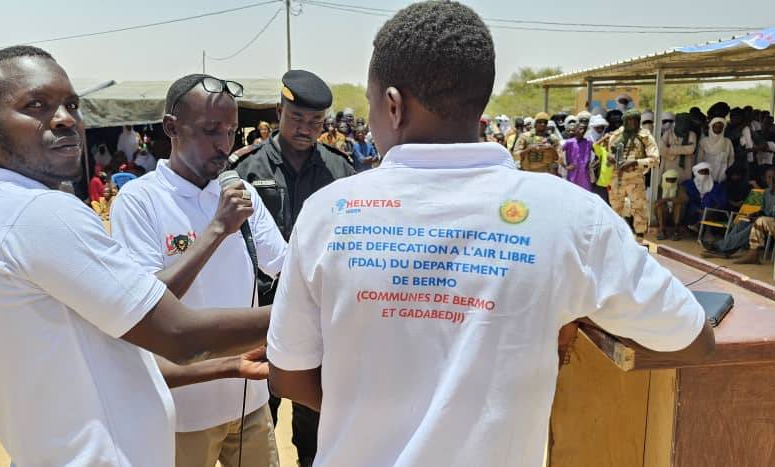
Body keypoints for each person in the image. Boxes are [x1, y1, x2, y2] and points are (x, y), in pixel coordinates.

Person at [266, 4, 714, 467]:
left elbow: (288, 374)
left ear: (394, 106)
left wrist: (371, 416)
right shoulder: (572, 217)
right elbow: (692, 339)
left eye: (371, 102)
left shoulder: (327, 212)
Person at [0, 45, 272, 467]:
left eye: (71, 105)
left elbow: (118, 351)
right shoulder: (41, 213)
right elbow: (178, 335)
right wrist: (308, 310)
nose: (65, 119)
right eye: (36, 105)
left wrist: (230, 366)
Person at [112, 74, 287, 467]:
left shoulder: (241, 194)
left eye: (231, 131)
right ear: (171, 127)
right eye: (210, 130)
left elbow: (284, 266)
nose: (225, 144)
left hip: (249, 400)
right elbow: (146, 304)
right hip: (184, 412)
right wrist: (217, 229)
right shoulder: (140, 201)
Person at [230, 69, 356, 467]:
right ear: (279, 112)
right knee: (256, 415)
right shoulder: (247, 169)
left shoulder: (339, 170)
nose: (306, 128)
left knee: (314, 419)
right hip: (261, 312)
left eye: (315, 121)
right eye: (297, 118)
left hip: (319, 316)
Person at [597, 109, 659, 240]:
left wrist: (635, 162)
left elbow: (655, 159)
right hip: (617, 178)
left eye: (635, 121)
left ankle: (640, 238)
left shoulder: (645, 136)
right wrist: (610, 158)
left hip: (635, 178)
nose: (632, 124)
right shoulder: (616, 135)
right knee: (615, 209)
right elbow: (605, 152)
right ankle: (615, 239)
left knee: (639, 208)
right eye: (629, 121)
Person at [682, 162, 727, 230]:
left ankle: (699, 225)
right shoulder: (689, 184)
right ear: (696, 173)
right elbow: (687, 199)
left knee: (708, 201)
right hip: (693, 212)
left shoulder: (716, 186)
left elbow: (722, 201)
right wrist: (698, 209)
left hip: (712, 212)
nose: (704, 175)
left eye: (706, 172)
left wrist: (710, 210)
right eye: (701, 172)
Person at [659, 112, 697, 181]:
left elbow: (691, 149)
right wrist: (683, 149)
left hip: (685, 167)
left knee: (683, 185)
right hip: (669, 165)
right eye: (681, 122)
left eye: (685, 122)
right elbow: (661, 148)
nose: (683, 124)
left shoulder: (692, 134)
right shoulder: (668, 132)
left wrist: (670, 148)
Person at [654, 169, 688, 240]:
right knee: (660, 207)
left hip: (675, 215)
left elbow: (684, 199)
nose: (670, 182)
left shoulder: (680, 188)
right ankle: (662, 231)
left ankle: (676, 231)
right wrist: (666, 201)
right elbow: (656, 202)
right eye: (668, 180)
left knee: (679, 206)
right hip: (663, 214)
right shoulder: (659, 188)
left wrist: (667, 199)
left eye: (673, 180)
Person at [698, 117, 734, 183]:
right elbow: (699, 159)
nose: (718, 128)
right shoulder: (704, 142)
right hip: (706, 173)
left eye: (720, 127)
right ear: (711, 127)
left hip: (722, 174)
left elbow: (731, 158)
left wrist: (726, 170)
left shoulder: (727, 142)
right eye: (715, 126)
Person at [561, 123, 594, 191]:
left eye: (584, 129)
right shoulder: (569, 142)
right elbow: (558, 153)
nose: (582, 131)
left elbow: (598, 154)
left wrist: (592, 165)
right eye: (580, 128)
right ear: (575, 129)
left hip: (585, 176)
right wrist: (565, 166)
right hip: (572, 174)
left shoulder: (589, 143)